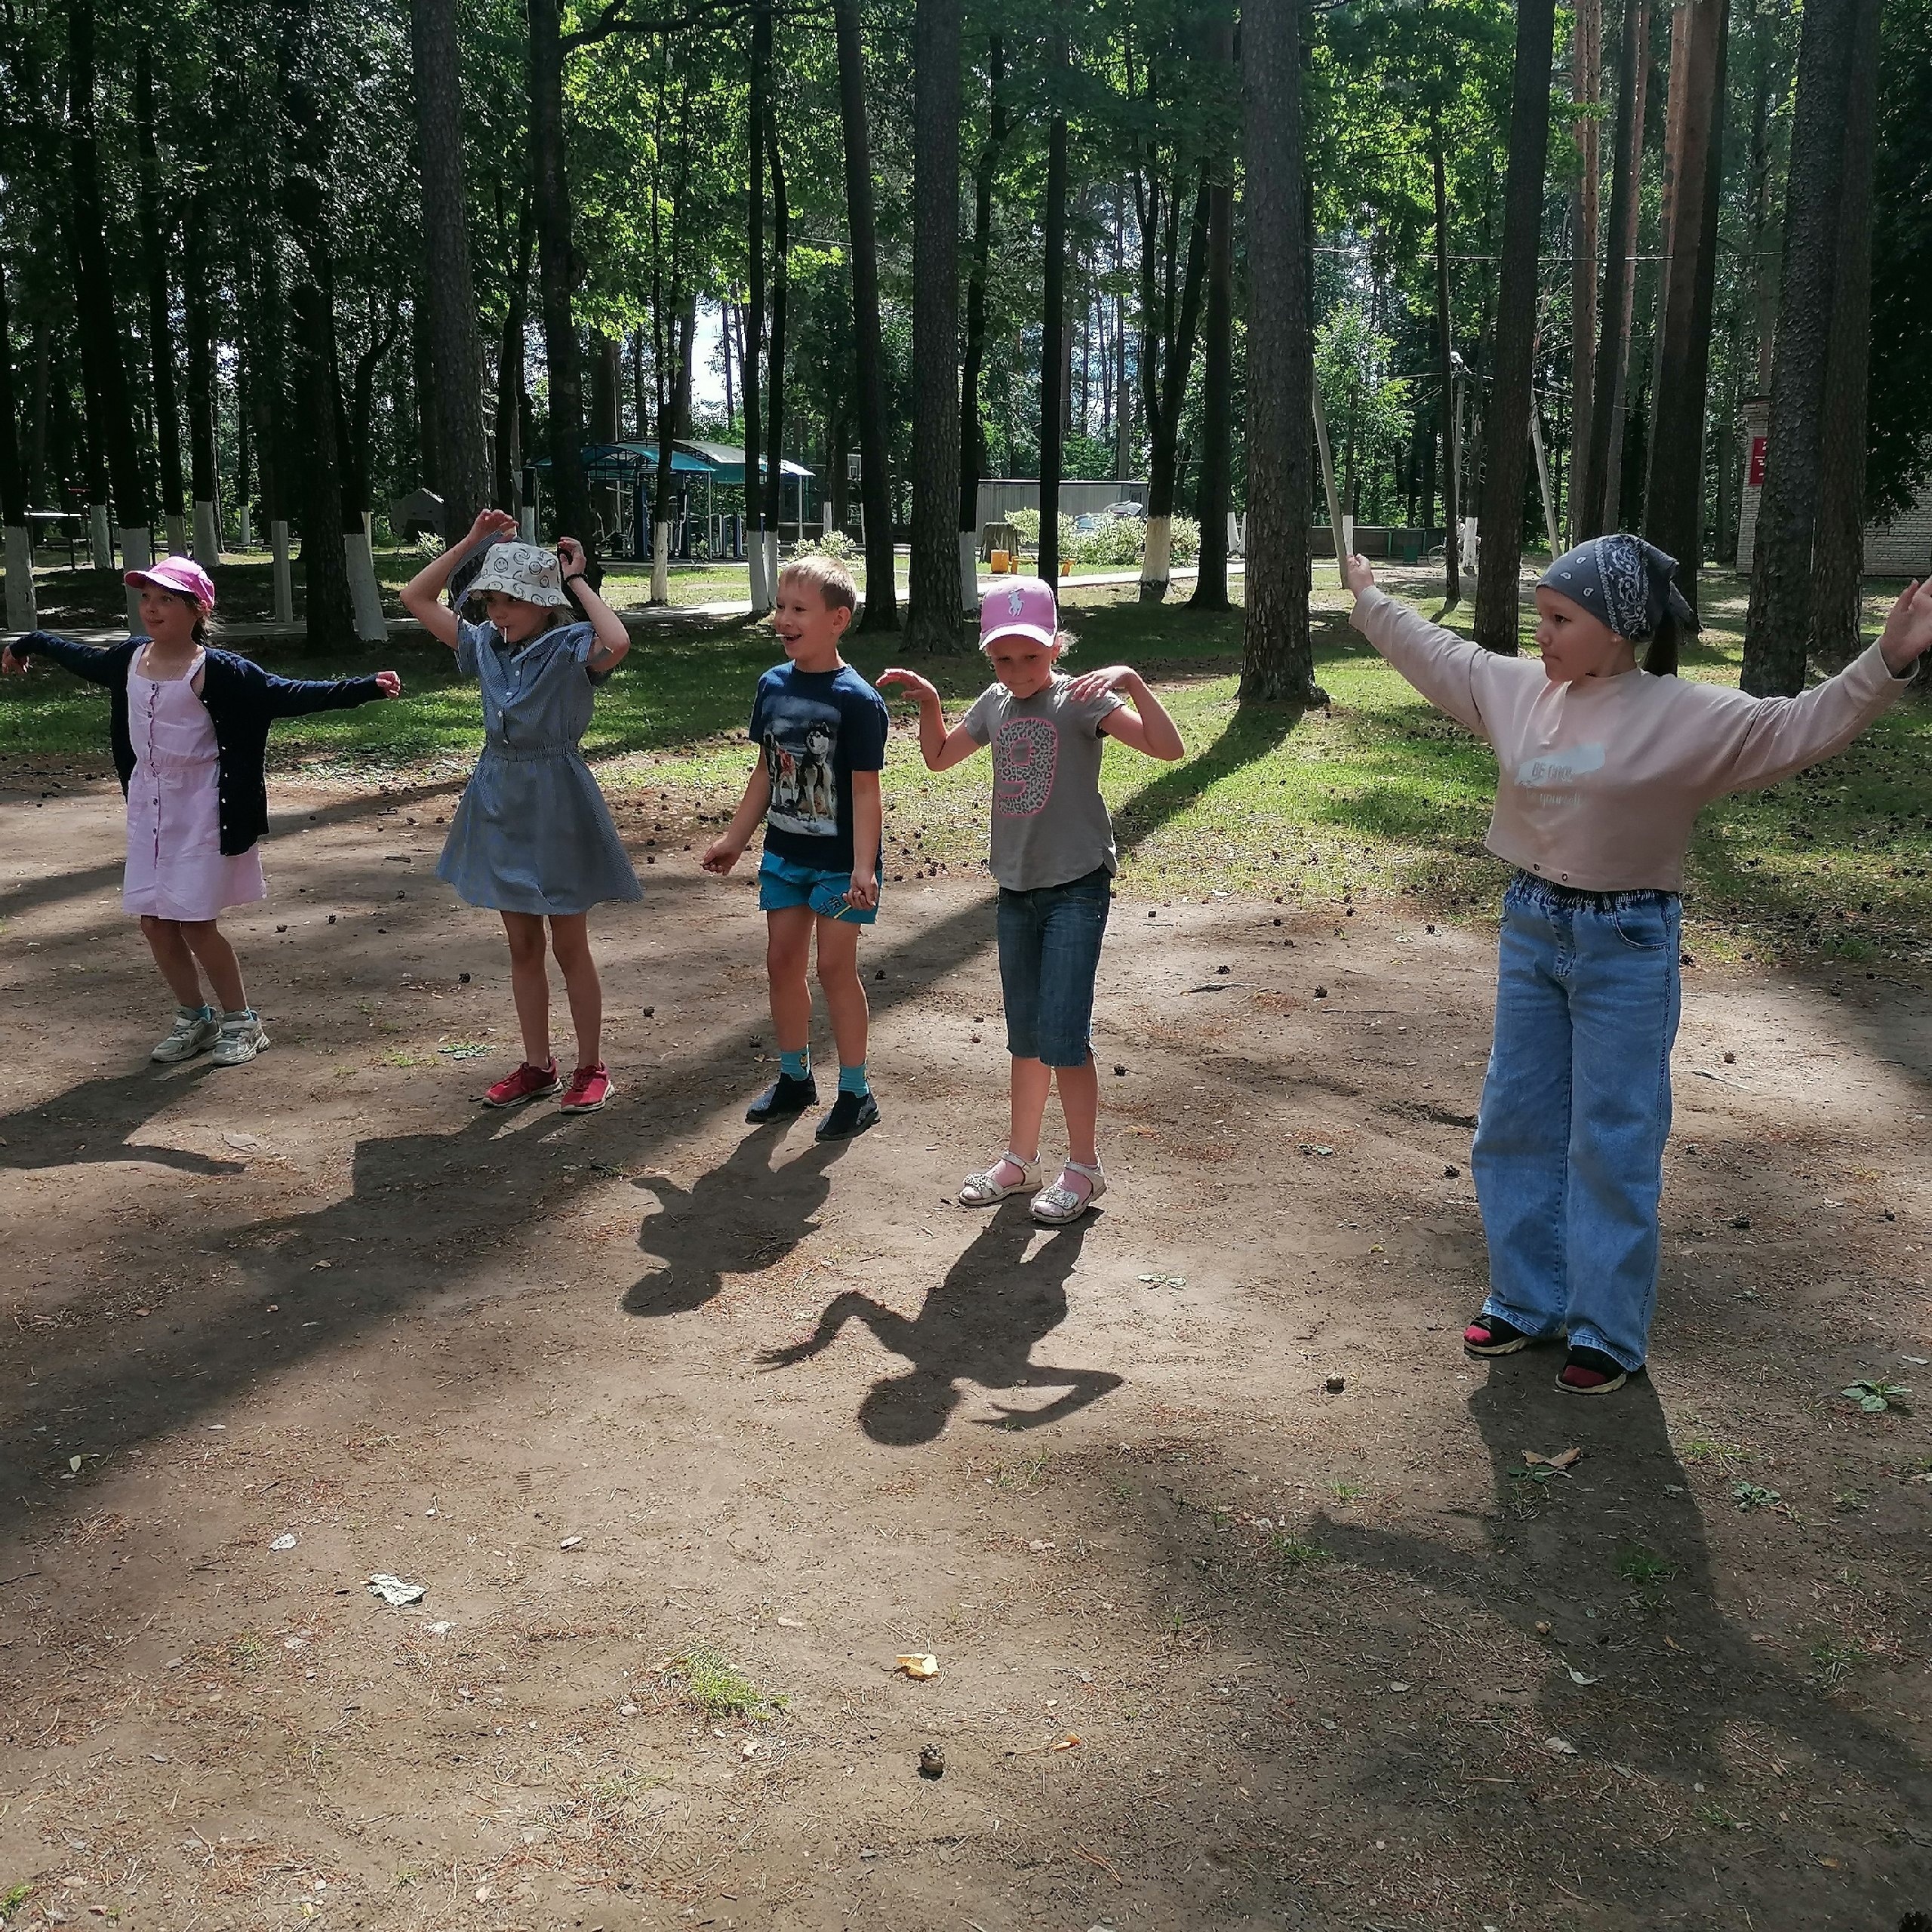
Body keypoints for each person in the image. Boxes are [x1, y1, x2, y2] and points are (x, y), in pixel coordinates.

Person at [1345, 537, 1932, 1394]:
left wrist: (1885, 660)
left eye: (1558, 619)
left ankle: (1606, 1330)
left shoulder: (1685, 716)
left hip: (1628, 940)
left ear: (1616, 631)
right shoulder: (1515, 692)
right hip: (1531, 925)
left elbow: (1800, 723)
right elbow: (1436, 654)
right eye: (1540, 617)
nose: (1538, 634)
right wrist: (1369, 600)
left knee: (1612, 1136)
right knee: (1514, 1117)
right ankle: (1524, 1299)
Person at [1, 556, 401, 1067]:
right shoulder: (128, 660)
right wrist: (30, 642)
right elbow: (73, 653)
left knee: (194, 923)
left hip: (206, 806)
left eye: (167, 599)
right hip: (150, 808)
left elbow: (288, 694)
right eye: (146, 598)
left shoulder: (220, 671)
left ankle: (243, 1021)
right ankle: (195, 1017)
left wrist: (363, 688)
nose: (152, 608)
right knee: (154, 923)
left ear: (197, 609)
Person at [878, 576, 1184, 1223]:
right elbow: (937, 757)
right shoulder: (994, 703)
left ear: (1054, 645)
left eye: (1030, 656)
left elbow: (1168, 748)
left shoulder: (1079, 700)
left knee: (1064, 1036)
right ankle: (1020, 1162)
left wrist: (1130, 679)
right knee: (1025, 1036)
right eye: (1003, 659)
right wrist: (932, 701)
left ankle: (1084, 1169)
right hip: (1015, 891)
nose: (1017, 671)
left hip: (1076, 886)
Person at [398, 511, 640, 1114]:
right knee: (522, 945)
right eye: (490, 600)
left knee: (570, 945)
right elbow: (414, 596)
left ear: (543, 602)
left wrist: (577, 580)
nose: (497, 612)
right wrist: (474, 542)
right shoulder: (482, 645)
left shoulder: (569, 646)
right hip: (499, 799)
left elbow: (618, 642)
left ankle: (592, 1066)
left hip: (558, 801)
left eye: (510, 600)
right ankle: (538, 1066)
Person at [701, 555, 888, 1143]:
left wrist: (863, 865)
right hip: (785, 854)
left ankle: (855, 1091)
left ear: (838, 620)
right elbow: (765, 770)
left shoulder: (857, 700)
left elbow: (865, 789)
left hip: (840, 865)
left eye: (798, 610)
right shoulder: (773, 686)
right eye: (781, 607)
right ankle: (794, 1077)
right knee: (782, 962)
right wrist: (735, 838)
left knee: (834, 967)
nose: (783, 618)